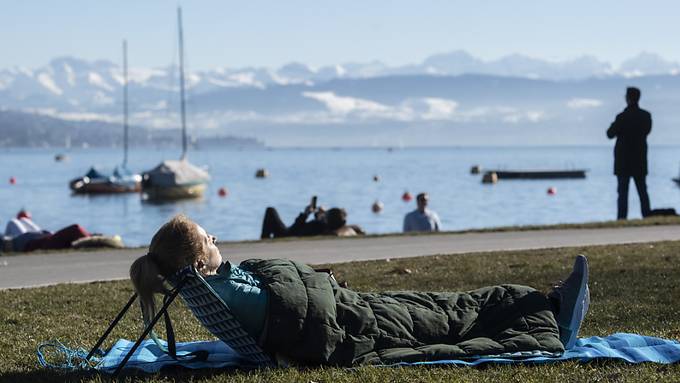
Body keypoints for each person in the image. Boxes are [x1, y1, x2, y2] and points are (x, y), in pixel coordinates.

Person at [130, 215, 591, 366]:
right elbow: (294, 307)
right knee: (445, 318)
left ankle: (538, 302)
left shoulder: (212, 283)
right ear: (194, 262)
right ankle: (550, 311)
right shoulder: (216, 289)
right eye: (209, 240)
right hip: (346, 326)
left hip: (345, 309)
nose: (216, 242)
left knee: (438, 304)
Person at [606, 87, 652, 220]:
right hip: (639, 160)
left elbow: (609, 134)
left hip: (623, 161)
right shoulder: (646, 116)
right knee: (642, 192)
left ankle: (621, 219)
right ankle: (647, 217)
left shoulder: (621, 117)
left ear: (628, 98)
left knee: (622, 194)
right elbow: (647, 131)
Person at [261, 202, 364, 239]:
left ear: (327, 220)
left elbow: (296, 229)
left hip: (287, 234)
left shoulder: (319, 226)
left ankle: (264, 238)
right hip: (291, 231)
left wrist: (305, 214)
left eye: (326, 215)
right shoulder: (323, 225)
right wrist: (319, 216)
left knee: (270, 210)